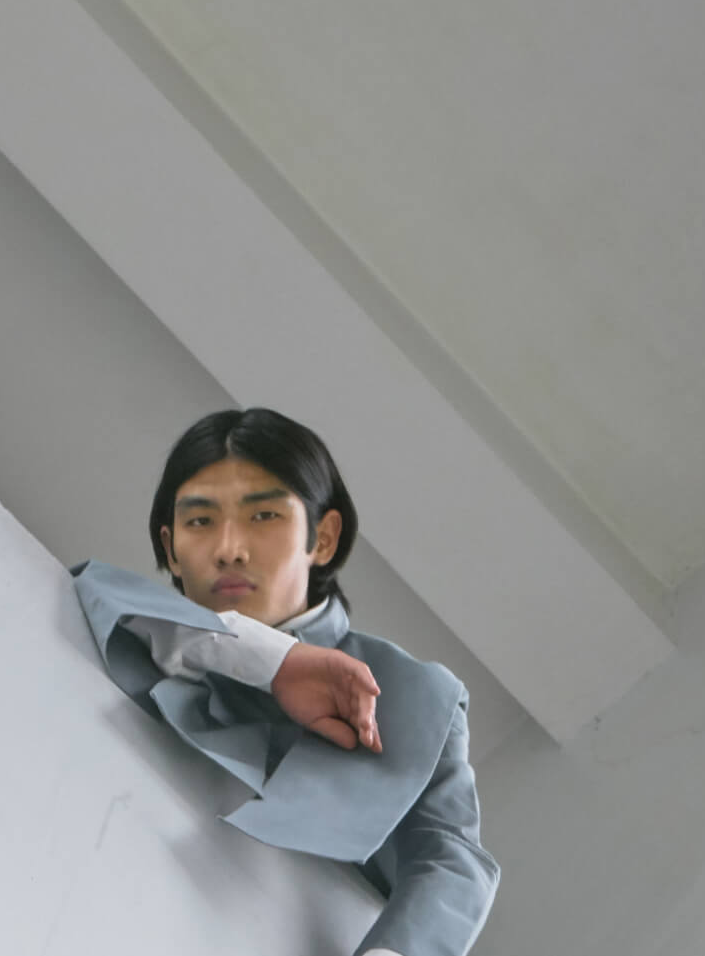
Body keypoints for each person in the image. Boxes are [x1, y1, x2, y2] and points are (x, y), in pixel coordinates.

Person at [70, 408, 498, 956]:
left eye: (264, 516)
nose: (229, 548)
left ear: (323, 537)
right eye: (200, 521)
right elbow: (99, 590)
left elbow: (452, 859)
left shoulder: (414, 694)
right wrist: (273, 662)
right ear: (170, 546)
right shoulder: (128, 616)